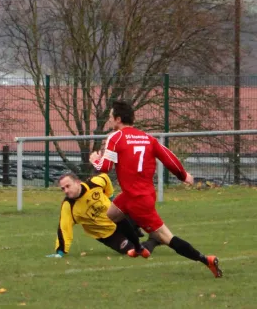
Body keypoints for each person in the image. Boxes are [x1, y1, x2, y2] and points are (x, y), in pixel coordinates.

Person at [89, 100, 222, 278]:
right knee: (112, 214)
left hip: (138, 200)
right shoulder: (147, 138)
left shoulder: (116, 137)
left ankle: (206, 260)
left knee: (166, 237)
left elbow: (105, 167)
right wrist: (183, 176)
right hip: (134, 194)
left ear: (118, 119)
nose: (110, 121)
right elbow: (169, 158)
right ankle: (138, 248)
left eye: (111, 117)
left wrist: (95, 160)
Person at [46, 172, 160, 258]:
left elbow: (105, 178)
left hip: (118, 218)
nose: (65, 190)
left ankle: (139, 229)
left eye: (68, 186)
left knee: (138, 210)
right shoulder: (68, 206)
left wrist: (110, 197)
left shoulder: (94, 183)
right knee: (133, 251)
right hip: (107, 235)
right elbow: (64, 228)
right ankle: (154, 240)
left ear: (77, 182)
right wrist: (60, 252)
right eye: (63, 189)